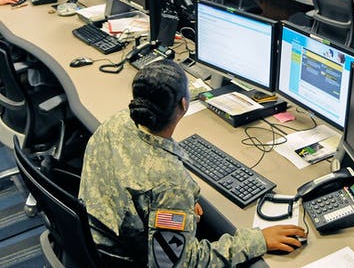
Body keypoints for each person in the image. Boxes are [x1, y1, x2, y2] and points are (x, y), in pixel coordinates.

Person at [79, 60, 306, 266]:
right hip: (125, 260)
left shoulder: (117, 122)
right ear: (184, 104)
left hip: (93, 241)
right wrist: (258, 240)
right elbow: (181, 263)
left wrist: (181, 202)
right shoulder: (169, 186)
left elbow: (138, 173)